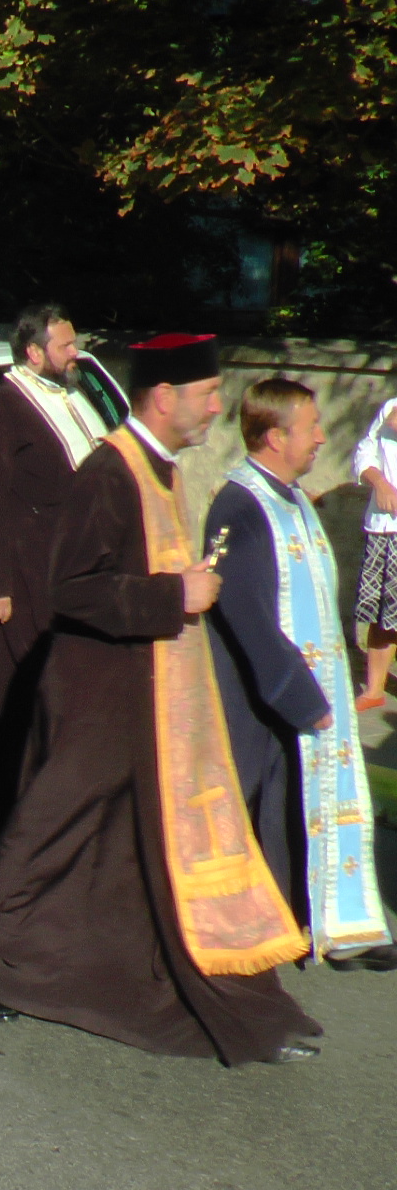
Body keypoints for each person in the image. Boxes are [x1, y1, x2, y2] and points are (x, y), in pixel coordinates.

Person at [0, 333, 321, 1066]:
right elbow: (73, 589)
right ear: (164, 397)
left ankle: (133, 968)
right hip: (94, 697)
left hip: (148, 695)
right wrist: (174, 593)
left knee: (127, 848)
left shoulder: (167, 471)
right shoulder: (108, 470)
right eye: (207, 394)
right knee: (48, 834)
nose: (218, 407)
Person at [206, 379, 397, 972]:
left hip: (314, 694)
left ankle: (338, 925)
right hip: (271, 701)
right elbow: (248, 615)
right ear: (273, 436)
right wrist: (297, 694)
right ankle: (283, 928)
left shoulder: (289, 495)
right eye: (311, 428)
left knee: (315, 810)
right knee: (275, 812)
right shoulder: (239, 504)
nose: (322, 438)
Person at [0, 303, 108, 824]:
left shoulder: (70, 395)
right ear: (34, 352)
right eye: (66, 346)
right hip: (20, 573)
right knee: (17, 683)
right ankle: (13, 796)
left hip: (65, 565)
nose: (76, 353)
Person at [352, 397, 397, 709]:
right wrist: (379, 481)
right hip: (386, 527)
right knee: (384, 611)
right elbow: (364, 450)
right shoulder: (390, 408)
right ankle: (375, 690)